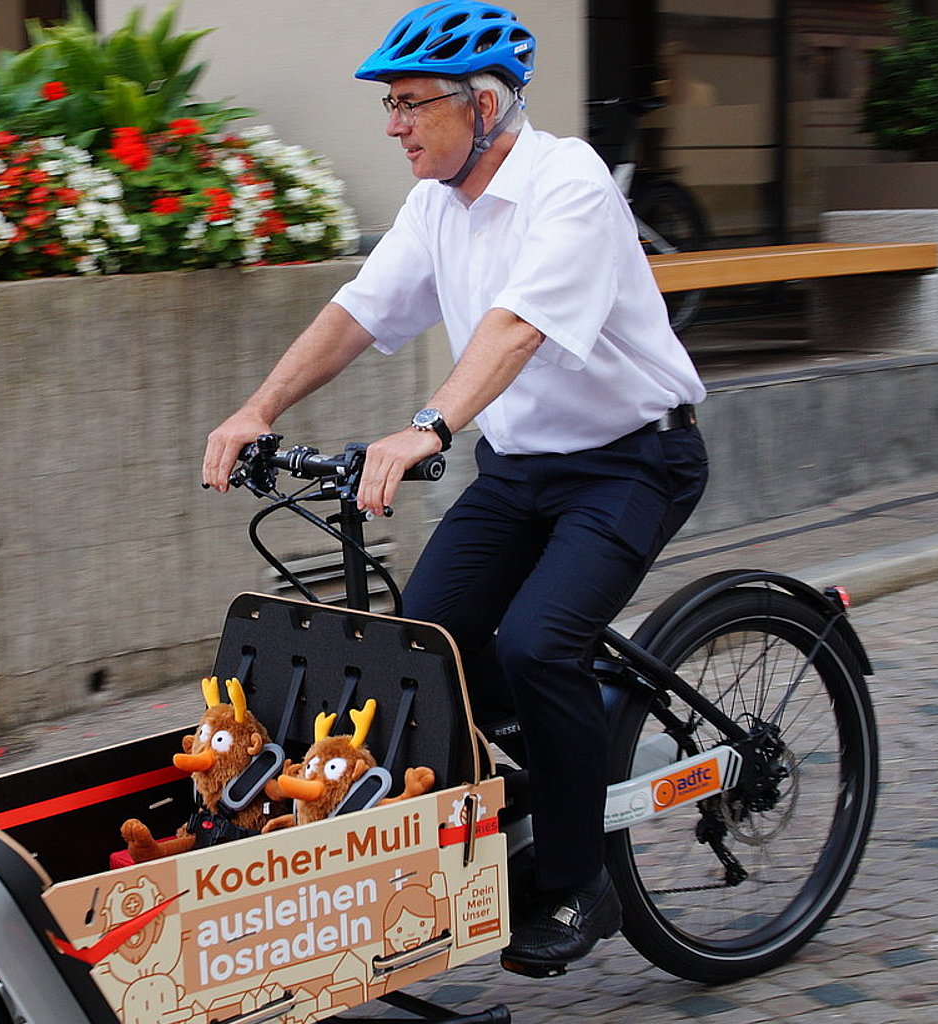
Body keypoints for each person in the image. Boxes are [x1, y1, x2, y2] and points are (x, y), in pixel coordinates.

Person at [200, 1, 709, 975]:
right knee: (418, 654)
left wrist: (429, 425)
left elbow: (516, 326)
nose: (393, 124)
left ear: (482, 106)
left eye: (408, 105)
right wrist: (255, 409)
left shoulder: (570, 184)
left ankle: (577, 880)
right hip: (521, 469)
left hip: (632, 459)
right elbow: (359, 311)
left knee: (537, 643)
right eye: (390, 105)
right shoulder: (438, 201)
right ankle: (551, 760)